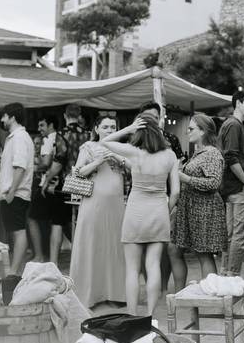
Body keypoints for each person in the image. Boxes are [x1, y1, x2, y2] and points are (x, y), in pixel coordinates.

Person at [102, 112, 179, 317]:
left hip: (135, 212)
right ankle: (151, 316)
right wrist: (167, 209)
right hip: (158, 212)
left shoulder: (134, 152)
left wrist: (128, 128)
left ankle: (132, 315)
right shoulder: (170, 156)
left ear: (139, 131)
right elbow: (176, 191)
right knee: (153, 266)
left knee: (132, 270)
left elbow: (105, 140)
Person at [69, 114, 128, 308]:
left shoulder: (122, 148)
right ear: (96, 129)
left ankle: (116, 293)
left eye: (113, 127)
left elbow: (134, 170)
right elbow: (77, 173)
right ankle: (89, 295)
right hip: (93, 203)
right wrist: (97, 161)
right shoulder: (88, 147)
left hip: (116, 205)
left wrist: (119, 159)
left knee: (114, 246)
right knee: (92, 245)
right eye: (106, 127)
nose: (110, 130)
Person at [169, 114, 227, 286]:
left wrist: (184, 178)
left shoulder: (211, 153)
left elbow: (214, 182)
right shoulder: (199, 152)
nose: (187, 132)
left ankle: (210, 294)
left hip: (205, 210)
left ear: (203, 131)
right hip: (191, 209)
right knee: (174, 249)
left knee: (204, 254)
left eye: (191, 128)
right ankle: (180, 293)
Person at [0, 102, 35, 275]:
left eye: (4, 116)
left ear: (12, 117)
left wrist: (11, 192)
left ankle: (13, 272)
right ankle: (14, 271)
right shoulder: (16, 137)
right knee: (15, 230)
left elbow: (20, 167)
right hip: (14, 191)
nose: (2, 119)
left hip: (15, 192)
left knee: (18, 231)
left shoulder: (19, 137)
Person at [219, 92, 244, 276]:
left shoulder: (230, 124)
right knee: (239, 236)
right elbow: (231, 157)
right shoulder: (234, 125)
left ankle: (225, 273)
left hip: (229, 188)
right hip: (237, 188)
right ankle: (232, 275)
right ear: (238, 103)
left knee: (231, 234)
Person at [30, 115, 70, 264]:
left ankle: (40, 255)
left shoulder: (51, 140)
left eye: (42, 125)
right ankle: (53, 260)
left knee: (33, 217)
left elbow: (48, 163)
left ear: (51, 125)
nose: (39, 129)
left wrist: (35, 168)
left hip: (51, 185)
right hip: (63, 184)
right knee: (58, 223)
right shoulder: (60, 139)